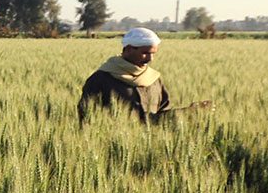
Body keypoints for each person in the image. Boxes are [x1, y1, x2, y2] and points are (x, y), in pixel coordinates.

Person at [77, 27, 210, 123]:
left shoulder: (154, 79)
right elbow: (86, 115)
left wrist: (187, 111)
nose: (150, 59)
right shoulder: (101, 79)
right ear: (128, 49)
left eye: (153, 54)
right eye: (145, 53)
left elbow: (162, 115)